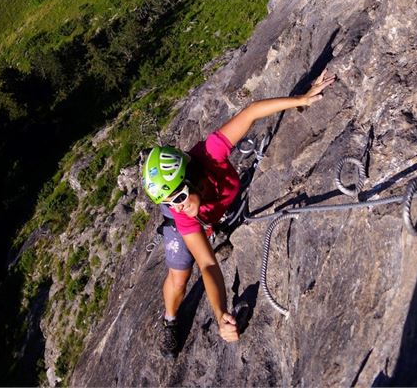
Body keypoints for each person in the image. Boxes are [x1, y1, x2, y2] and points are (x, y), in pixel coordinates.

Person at [142, 70, 335, 356]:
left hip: (214, 212)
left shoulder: (209, 155)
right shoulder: (181, 214)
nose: (179, 204)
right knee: (179, 277)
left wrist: (300, 99)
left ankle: (215, 225)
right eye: (171, 202)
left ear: (192, 177)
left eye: (180, 196)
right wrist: (220, 314)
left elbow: (251, 112)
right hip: (188, 227)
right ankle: (169, 321)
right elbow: (207, 265)